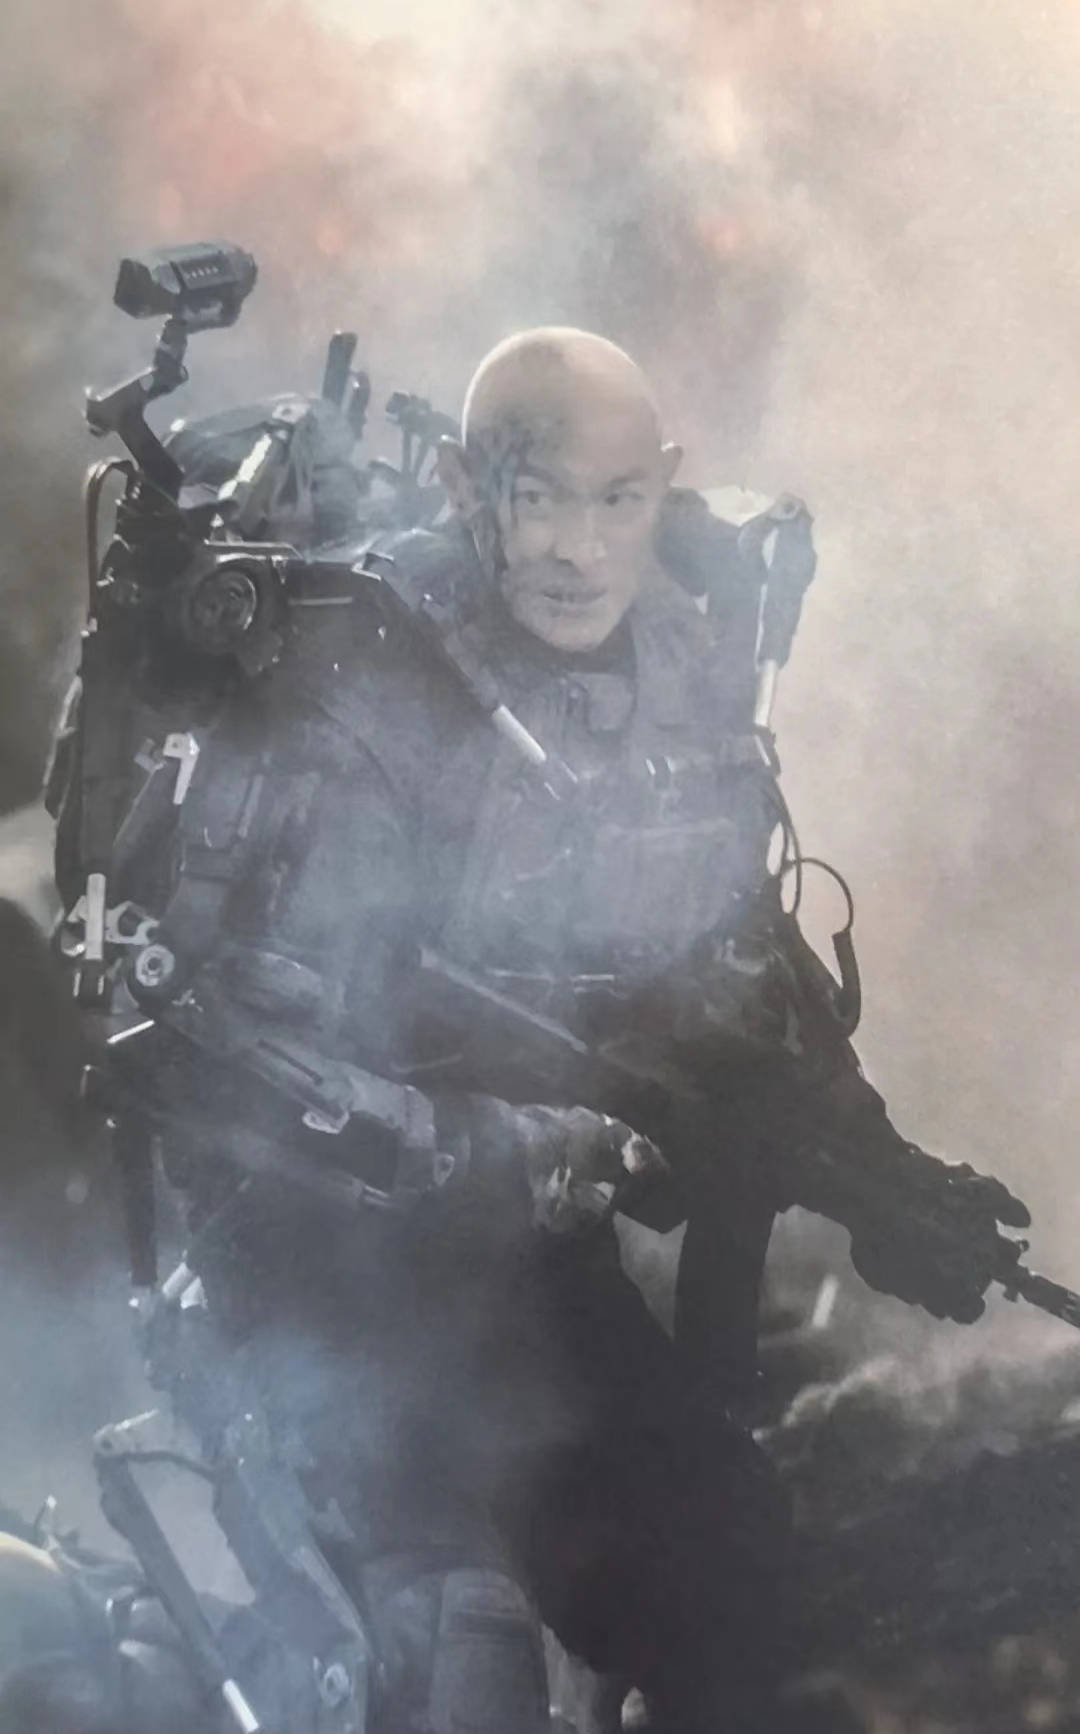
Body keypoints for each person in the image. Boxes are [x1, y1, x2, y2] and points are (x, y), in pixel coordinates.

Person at [49, 325, 1029, 1734]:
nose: (579, 546)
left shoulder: (677, 678)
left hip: (519, 1265)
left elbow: (734, 968)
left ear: (664, 484)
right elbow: (241, 1064)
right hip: (315, 1268)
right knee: (454, 1644)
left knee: (725, 1574)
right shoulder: (359, 690)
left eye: (617, 500)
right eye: (537, 498)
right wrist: (520, 1148)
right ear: (464, 486)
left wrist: (881, 1173)